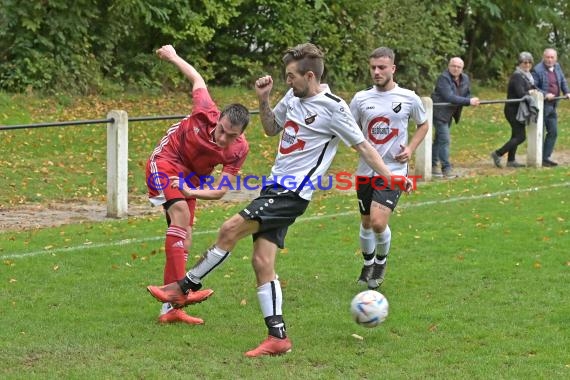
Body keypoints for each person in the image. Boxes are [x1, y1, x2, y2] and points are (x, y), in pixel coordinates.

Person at [146, 43, 412, 357]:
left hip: (293, 193)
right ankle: (278, 337)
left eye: (291, 76)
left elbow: (364, 146)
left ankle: (182, 288)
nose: (287, 81)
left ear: (309, 75)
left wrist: (390, 177)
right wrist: (263, 100)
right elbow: (272, 128)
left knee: (229, 229)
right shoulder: (292, 97)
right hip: (274, 188)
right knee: (262, 262)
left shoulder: (334, 107)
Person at [145, 44, 250, 325]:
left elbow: (220, 190)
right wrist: (173, 56)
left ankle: (171, 310)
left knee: (186, 237)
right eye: (222, 131)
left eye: (231, 136)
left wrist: (192, 191)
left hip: (192, 178)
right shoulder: (205, 109)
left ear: (240, 135)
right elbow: (197, 79)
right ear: (218, 119)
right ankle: (179, 295)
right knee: (179, 215)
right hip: (165, 160)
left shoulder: (239, 149)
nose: (223, 139)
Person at [349, 47, 428, 290]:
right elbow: (351, 132)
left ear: (393, 68)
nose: (376, 71)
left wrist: (411, 149)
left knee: (378, 222)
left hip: (394, 170)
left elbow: (423, 125)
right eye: (373, 67)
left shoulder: (408, 98)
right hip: (365, 171)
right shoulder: (361, 99)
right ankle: (368, 262)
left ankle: (381, 263)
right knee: (365, 223)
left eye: (381, 67)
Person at [431, 57, 480, 178]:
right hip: (439, 113)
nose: (456, 69)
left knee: (439, 140)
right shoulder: (443, 78)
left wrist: (471, 99)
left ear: (462, 69)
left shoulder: (465, 78)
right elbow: (449, 97)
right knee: (445, 139)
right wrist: (468, 101)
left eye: (459, 67)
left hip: (450, 114)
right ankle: (446, 169)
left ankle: (432, 165)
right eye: (453, 66)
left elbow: (467, 93)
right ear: (449, 66)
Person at [491, 52, 537, 168]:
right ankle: (498, 153)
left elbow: (534, 88)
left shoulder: (528, 76)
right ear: (520, 63)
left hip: (519, 109)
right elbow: (520, 93)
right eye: (524, 62)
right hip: (512, 110)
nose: (527, 65)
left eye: (529, 62)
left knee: (515, 135)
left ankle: (511, 161)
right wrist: (530, 93)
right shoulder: (517, 76)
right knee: (521, 136)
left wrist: (542, 93)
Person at [531, 47, 570, 167]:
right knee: (540, 132)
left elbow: (562, 80)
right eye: (547, 57)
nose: (549, 59)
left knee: (553, 132)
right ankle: (537, 158)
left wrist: (567, 92)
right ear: (544, 57)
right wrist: (545, 94)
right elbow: (533, 86)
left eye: (552, 57)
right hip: (542, 105)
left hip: (553, 105)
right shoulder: (537, 70)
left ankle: (545, 157)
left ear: (555, 58)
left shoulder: (557, 67)